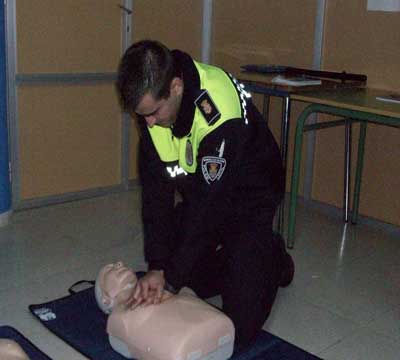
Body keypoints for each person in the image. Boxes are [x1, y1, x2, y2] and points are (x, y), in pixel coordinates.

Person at [116, 40, 294, 350]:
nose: (148, 123)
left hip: (249, 198)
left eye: (153, 113)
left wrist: (171, 278)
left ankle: (272, 257)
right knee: (184, 275)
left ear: (175, 86)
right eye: (141, 115)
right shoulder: (154, 112)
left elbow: (208, 210)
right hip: (203, 191)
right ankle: (229, 259)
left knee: (235, 330)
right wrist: (159, 266)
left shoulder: (219, 115)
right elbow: (156, 197)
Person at [95, 261, 235, 360]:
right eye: (110, 269)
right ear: (106, 300)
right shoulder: (118, 317)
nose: (119, 263)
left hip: (195, 317)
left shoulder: (152, 288)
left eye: (117, 264)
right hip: (181, 339)